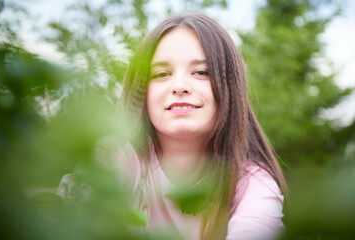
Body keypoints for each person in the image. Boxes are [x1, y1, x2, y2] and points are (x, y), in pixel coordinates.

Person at [58, 14, 286, 240]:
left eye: (200, 72)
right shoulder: (116, 158)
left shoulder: (251, 181)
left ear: (229, 88)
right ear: (142, 92)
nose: (179, 86)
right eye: (161, 74)